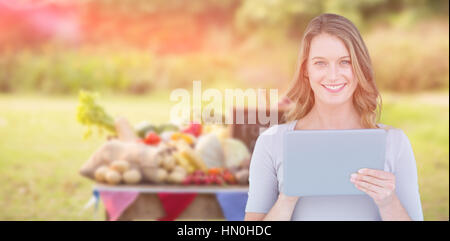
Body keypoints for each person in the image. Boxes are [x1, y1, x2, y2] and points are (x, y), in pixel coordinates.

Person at [244, 13, 423, 221]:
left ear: (359, 67)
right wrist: (288, 198)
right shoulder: (272, 142)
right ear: (305, 71)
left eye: (345, 62)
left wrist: (388, 201)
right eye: (320, 63)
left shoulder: (395, 143)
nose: (333, 75)